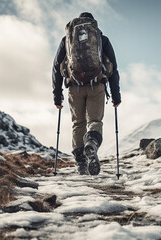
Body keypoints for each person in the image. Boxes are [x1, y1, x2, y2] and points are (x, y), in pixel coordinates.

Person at [52, 12, 121, 175]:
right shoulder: (101, 39)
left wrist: (57, 95)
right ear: (93, 23)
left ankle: (81, 162)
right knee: (95, 120)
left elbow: (56, 67)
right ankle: (91, 142)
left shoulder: (67, 40)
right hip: (96, 85)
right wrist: (116, 96)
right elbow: (113, 67)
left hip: (74, 87)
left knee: (78, 123)